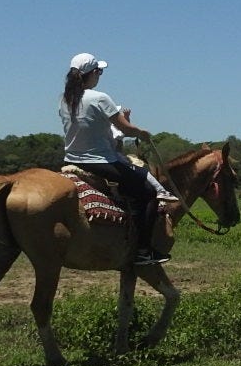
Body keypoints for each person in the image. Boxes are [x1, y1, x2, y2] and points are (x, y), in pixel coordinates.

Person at [60, 52, 169, 265]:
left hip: (72, 158)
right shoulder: (100, 98)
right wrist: (141, 133)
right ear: (91, 74)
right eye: (99, 71)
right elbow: (124, 129)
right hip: (101, 160)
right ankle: (142, 251)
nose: (100, 75)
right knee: (146, 192)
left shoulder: (65, 99)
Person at [110, 108, 178, 202]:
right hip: (113, 154)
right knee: (142, 170)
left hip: (112, 153)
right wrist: (140, 133)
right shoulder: (111, 128)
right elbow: (126, 130)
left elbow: (125, 128)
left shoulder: (107, 126)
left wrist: (127, 117)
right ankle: (160, 190)